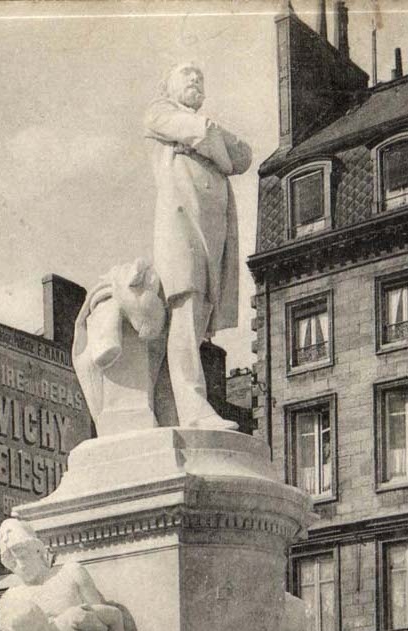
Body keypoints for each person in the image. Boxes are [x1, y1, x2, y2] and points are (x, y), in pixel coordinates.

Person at [145, 62, 252, 430]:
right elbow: (203, 132)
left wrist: (212, 142)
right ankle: (193, 407)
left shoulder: (196, 125)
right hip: (182, 230)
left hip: (212, 238)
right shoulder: (160, 113)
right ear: (168, 84)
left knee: (195, 319)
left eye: (201, 76)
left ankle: (167, 409)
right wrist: (214, 143)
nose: (195, 79)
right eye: (187, 74)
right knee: (186, 314)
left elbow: (243, 156)